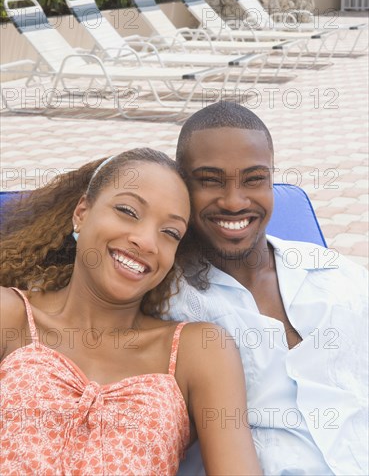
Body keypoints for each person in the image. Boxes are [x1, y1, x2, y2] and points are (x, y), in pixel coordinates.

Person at [0, 148, 262, 476]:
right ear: (81, 212)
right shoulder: (10, 316)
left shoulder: (198, 351)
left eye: (170, 233)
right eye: (128, 211)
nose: (146, 241)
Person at [166, 102, 368, 476]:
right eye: (210, 180)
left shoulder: (336, 272)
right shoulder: (168, 304)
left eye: (254, 179)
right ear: (181, 184)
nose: (234, 201)